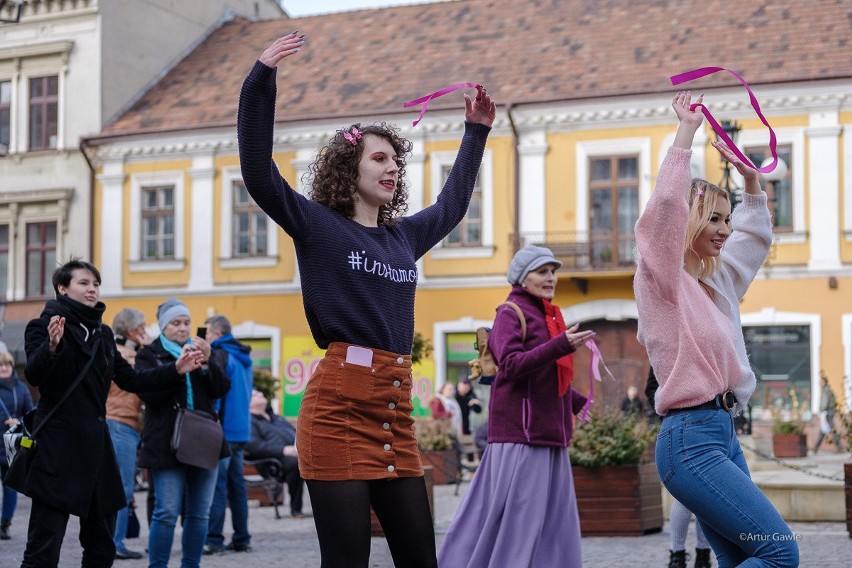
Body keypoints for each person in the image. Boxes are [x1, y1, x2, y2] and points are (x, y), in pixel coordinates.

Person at [238, 30, 495, 567]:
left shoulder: (402, 237)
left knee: (421, 560)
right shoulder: (317, 225)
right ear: (349, 169)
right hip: (337, 409)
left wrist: (475, 133)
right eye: (379, 158)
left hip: (394, 411)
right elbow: (259, 173)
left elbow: (450, 207)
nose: (392, 167)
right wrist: (261, 79)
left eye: (395, 161)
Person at [634, 91, 798, 566]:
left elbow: (754, 240)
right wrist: (686, 131)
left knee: (737, 558)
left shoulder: (716, 281)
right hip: (689, 438)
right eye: (715, 219)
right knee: (779, 554)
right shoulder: (661, 279)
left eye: (728, 219)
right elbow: (664, 208)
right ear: (688, 221)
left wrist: (751, 180)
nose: (726, 229)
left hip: (721, 432)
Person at [20, 260, 203, 567]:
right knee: (44, 545)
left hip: (96, 447)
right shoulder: (42, 326)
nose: (92, 289)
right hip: (57, 448)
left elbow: (131, 380)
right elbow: (36, 376)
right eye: (83, 283)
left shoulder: (103, 334)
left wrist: (175, 369)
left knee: (102, 544)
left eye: (95, 284)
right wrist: (51, 346)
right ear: (62, 288)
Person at [438, 245, 596, 567]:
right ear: (523, 278)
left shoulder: (549, 314)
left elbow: (549, 376)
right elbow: (509, 366)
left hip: (549, 435)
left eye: (553, 271)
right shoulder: (510, 312)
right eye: (542, 271)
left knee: (552, 525)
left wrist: (577, 403)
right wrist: (559, 345)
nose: (551, 278)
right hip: (521, 438)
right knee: (518, 525)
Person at [135, 297, 230, 568]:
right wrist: (176, 370)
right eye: (176, 323)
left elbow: (220, 389)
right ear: (163, 326)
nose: (182, 328)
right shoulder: (149, 354)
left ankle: (191, 564)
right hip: (166, 441)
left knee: (200, 513)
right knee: (165, 512)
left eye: (186, 322)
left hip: (202, 439)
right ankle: (159, 565)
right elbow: (147, 393)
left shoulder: (200, 351)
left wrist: (208, 363)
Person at [646, 367, 712, 568]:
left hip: (707, 422)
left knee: (707, 496)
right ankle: (678, 554)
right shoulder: (667, 339)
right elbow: (651, 388)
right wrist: (667, 412)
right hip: (677, 425)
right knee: (686, 494)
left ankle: (701, 555)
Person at [204, 314, 254, 554]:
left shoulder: (220, 354)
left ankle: (214, 539)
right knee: (238, 486)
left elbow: (217, 392)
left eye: (208, 333)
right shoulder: (244, 357)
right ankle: (242, 537)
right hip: (242, 430)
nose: (206, 337)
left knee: (218, 487)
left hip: (223, 430)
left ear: (216, 333)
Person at [106, 307, 153, 560]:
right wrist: (150, 349)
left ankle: (112, 541)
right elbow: (147, 377)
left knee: (118, 486)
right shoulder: (128, 356)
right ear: (133, 331)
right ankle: (115, 543)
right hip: (120, 424)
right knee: (122, 488)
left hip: (121, 425)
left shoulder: (122, 351)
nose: (146, 332)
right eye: (143, 328)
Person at [244, 389, 305, 518]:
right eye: (255, 395)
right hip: (272, 463)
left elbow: (295, 431)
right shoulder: (250, 422)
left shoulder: (276, 417)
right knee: (295, 463)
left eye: (260, 393)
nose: (261, 394)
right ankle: (296, 509)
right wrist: (282, 450)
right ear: (248, 404)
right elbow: (255, 446)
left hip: (295, 454)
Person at [0, 349, 34, 540]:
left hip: (10, 445)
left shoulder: (21, 388)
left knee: (10, 487)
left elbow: (30, 414)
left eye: (7, 364)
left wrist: (18, 421)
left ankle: (5, 523)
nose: (4, 367)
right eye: (0, 364)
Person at [813, 370, 844, 453]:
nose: (819, 383)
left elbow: (825, 402)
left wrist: (821, 409)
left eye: (821, 382)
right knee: (824, 429)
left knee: (831, 429)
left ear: (824, 382)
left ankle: (839, 447)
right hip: (828, 412)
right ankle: (816, 447)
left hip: (827, 412)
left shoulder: (826, 390)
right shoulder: (827, 389)